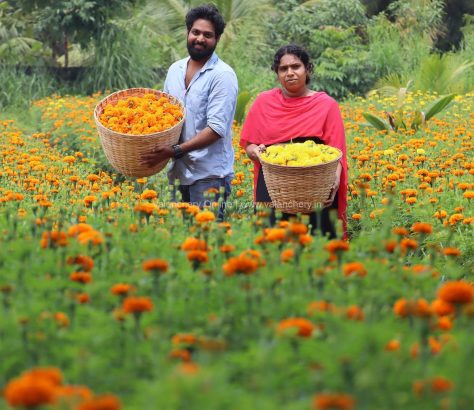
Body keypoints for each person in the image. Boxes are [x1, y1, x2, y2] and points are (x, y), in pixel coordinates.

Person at [240, 44, 348, 238]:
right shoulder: (264, 102)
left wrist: (334, 182)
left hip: (316, 186)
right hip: (274, 187)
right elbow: (250, 145)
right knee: (273, 245)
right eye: (283, 69)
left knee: (318, 248)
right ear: (277, 73)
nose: (290, 73)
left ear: (307, 69)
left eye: (296, 66)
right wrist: (257, 153)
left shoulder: (326, 106)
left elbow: (336, 151)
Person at [141, 4, 238, 220]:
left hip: (209, 175)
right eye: (196, 32)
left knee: (205, 241)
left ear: (217, 39)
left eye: (208, 35)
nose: (200, 39)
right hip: (178, 172)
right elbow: (166, 113)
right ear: (188, 32)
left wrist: (174, 150)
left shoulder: (222, 75)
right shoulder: (175, 69)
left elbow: (216, 128)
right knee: (180, 239)